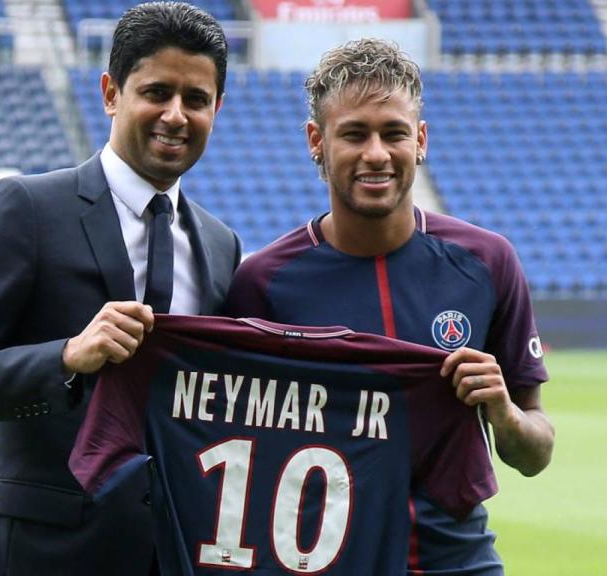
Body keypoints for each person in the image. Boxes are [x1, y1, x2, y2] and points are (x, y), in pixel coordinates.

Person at [0, 3, 241, 574]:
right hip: (40, 557)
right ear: (111, 93)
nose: (175, 115)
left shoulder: (219, 244)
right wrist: (66, 357)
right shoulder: (26, 209)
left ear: (217, 108)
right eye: (156, 92)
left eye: (196, 99)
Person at [222, 38, 554, 574]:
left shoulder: (487, 262)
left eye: (393, 133)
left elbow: (536, 451)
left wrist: (504, 413)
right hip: (317, 563)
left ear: (419, 140)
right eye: (354, 133)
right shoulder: (263, 283)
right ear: (317, 142)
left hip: (455, 561)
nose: (376, 153)